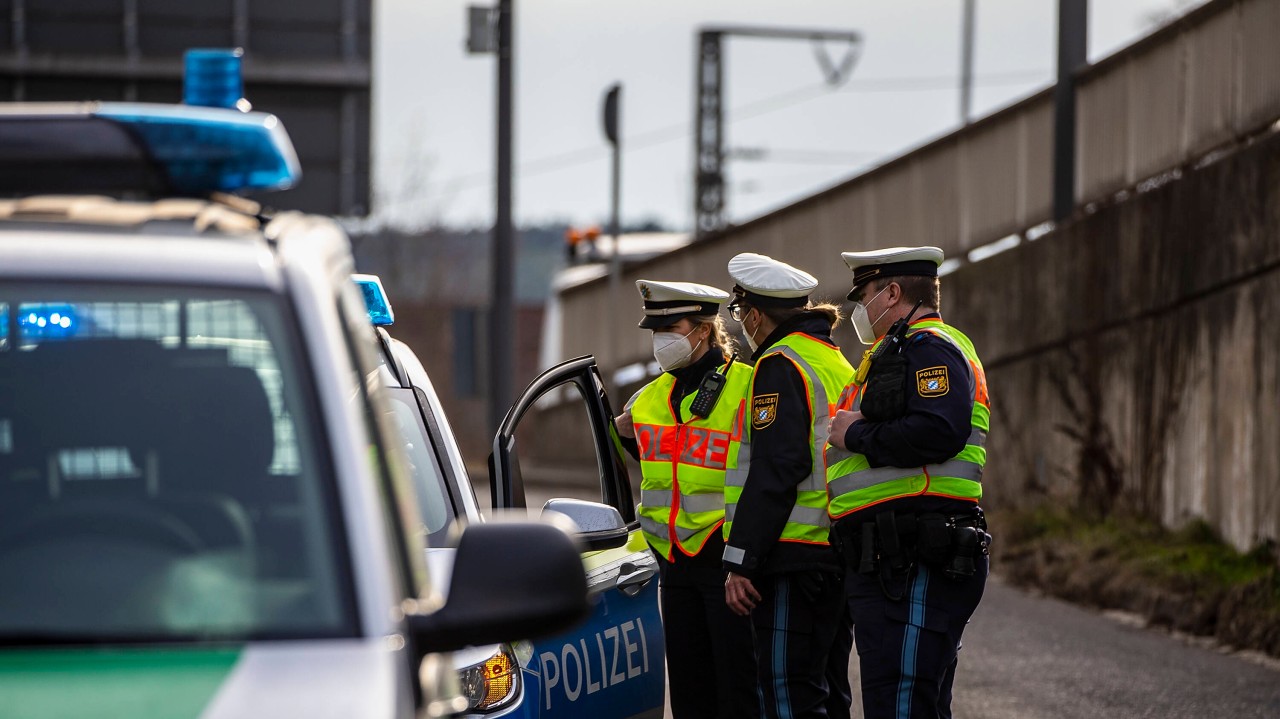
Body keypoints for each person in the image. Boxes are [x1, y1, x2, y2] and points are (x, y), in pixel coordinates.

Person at [825, 246, 992, 719]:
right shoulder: (897, 351)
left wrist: (855, 432)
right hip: (893, 558)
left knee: (900, 704)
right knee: (912, 703)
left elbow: (940, 429)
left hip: (914, 556)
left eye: (866, 296)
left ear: (893, 293)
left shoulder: (929, 346)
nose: (860, 309)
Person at [613, 279, 760, 719]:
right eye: (655, 331)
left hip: (728, 562)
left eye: (670, 329)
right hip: (674, 564)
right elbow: (646, 458)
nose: (661, 341)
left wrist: (746, 558)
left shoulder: (750, 387)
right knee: (691, 695)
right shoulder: (649, 399)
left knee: (738, 693)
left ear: (702, 329)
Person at [720, 253, 854, 719]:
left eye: (741, 315)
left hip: (792, 558)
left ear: (755, 314)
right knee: (829, 691)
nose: (742, 327)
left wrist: (741, 560)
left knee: (786, 694)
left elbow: (779, 466)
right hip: (836, 551)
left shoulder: (780, 363)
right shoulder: (834, 358)